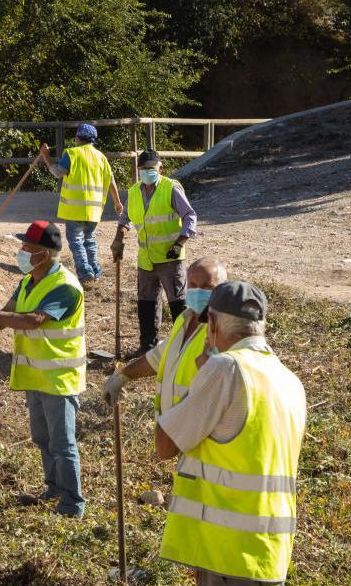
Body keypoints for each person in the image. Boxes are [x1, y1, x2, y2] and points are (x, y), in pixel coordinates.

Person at [155, 282, 306, 586]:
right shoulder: (288, 380)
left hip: (230, 555)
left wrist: (196, 383)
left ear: (212, 324)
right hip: (269, 551)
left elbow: (166, 444)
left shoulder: (226, 369)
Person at [0, 221, 88, 517]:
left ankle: (73, 503)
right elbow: (11, 309)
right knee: (43, 437)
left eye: (27, 248)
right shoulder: (28, 281)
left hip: (60, 378)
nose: (21, 252)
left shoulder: (66, 288)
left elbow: (34, 319)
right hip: (36, 374)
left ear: (44, 254)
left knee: (63, 442)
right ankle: (54, 488)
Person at [102, 258, 227, 412]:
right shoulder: (184, 319)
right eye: (193, 286)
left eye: (207, 287)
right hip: (170, 425)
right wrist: (124, 375)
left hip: (195, 427)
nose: (198, 292)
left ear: (223, 291)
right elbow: (161, 355)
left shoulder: (222, 333)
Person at [111, 149, 197, 357]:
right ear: (138, 170)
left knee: (177, 303)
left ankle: (184, 349)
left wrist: (179, 242)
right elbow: (125, 219)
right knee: (146, 303)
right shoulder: (133, 192)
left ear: (160, 168)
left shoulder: (171, 188)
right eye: (143, 169)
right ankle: (147, 347)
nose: (147, 172)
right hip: (146, 259)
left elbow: (190, 216)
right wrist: (118, 239)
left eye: (151, 168)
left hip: (170, 258)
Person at [37, 124, 123, 284]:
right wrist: (117, 202)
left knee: (76, 241)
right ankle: (95, 271)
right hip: (94, 210)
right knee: (89, 240)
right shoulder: (101, 157)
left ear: (77, 138)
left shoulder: (72, 154)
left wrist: (45, 156)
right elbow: (111, 181)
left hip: (75, 209)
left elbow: (57, 172)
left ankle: (85, 273)